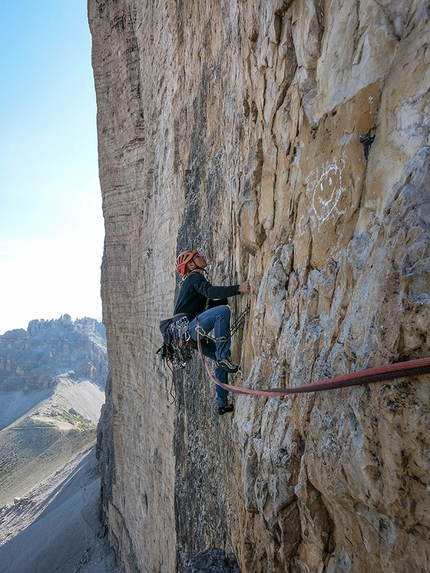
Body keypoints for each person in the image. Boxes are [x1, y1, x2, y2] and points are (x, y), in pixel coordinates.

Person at [174, 250, 251, 415]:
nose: (202, 256)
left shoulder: (190, 284)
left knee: (217, 356)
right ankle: (224, 358)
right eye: (197, 256)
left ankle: (221, 403)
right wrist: (238, 288)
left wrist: (228, 296)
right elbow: (210, 293)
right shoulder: (195, 278)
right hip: (190, 329)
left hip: (188, 336)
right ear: (191, 264)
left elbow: (208, 306)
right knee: (222, 312)